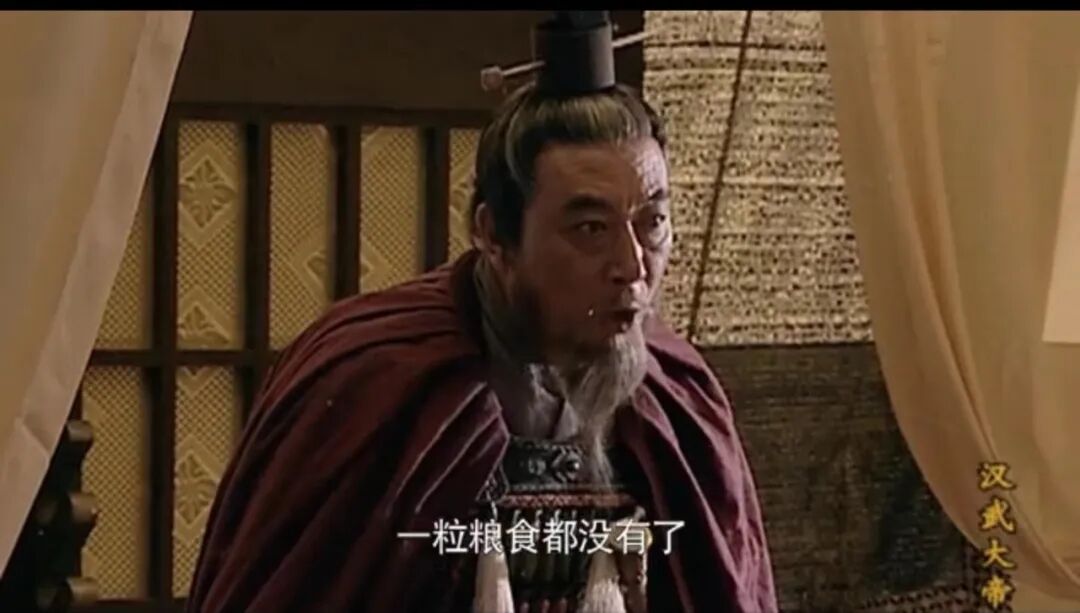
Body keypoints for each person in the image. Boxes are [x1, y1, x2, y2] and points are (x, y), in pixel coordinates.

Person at [188, 11, 776, 613]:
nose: (632, 266)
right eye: (590, 229)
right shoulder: (376, 384)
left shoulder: (677, 400)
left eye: (653, 223)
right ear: (493, 235)